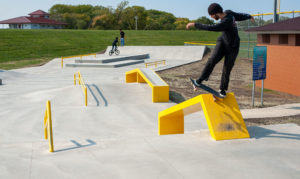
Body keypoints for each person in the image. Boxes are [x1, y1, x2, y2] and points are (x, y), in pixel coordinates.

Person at [186, 3, 254, 97]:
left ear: (216, 13)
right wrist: (248, 16)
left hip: (233, 47)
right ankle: (199, 81)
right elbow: (239, 16)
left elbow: (212, 28)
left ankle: (222, 90)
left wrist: (195, 24)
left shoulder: (226, 21)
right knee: (212, 60)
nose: (211, 17)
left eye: (211, 15)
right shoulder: (228, 12)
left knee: (227, 68)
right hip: (223, 42)